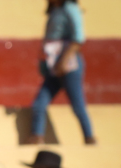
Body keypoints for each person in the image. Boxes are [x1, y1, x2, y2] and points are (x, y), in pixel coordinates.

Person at [28, 0, 96, 145]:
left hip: (69, 64)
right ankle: (37, 137)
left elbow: (78, 38)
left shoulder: (71, 8)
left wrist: (63, 62)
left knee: (78, 105)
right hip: (53, 64)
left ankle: (90, 138)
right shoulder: (54, 10)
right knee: (39, 103)